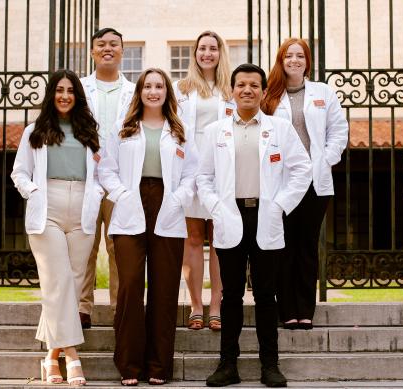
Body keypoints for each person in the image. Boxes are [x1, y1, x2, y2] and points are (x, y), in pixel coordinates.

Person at [197, 64, 311, 387]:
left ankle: (269, 366)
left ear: (263, 91)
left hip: (266, 216)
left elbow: (302, 170)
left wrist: (280, 205)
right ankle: (227, 365)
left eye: (254, 85)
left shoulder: (279, 128)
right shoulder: (216, 131)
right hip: (229, 216)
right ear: (231, 91)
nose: (247, 90)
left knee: (266, 294)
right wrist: (216, 207)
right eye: (241, 85)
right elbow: (203, 178)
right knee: (230, 295)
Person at [98, 68, 197, 386]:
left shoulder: (180, 130)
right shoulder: (122, 128)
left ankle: (158, 367)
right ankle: (129, 366)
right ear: (139, 92)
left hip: (167, 208)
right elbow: (107, 170)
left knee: (164, 290)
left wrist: (178, 198)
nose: (153, 91)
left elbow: (193, 173)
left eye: (159, 86)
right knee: (128, 287)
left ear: (167, 92)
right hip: (130, 207)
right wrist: (123, 195)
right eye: (148, 86)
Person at [11, 69, 103, 385]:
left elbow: (102, 172)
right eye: (59, 90)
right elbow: (19, 172)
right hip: (46, 209)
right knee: (58, 280)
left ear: (77, 96)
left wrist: (100, 192)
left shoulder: (90, 131)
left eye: (70, 90)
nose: (65, 95)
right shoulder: (34, 131)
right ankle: (72, 356)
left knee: (72, 285)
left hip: (82, 210)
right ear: (52, 95)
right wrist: (33, 192)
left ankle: (50, 357)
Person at [261, 38, 348, 330]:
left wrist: (328, 158)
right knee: (284, 246)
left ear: (307, 61)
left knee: (307, 245)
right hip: (282, 182)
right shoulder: (270, 96)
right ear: (281, 60)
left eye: (300, 56)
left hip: (314, 182)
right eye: (289, 56)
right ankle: (286, 310)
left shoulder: (323, 92)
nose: (294, 60)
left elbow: (339, 130)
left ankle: (304, 311)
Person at [173, 31, 235, 332]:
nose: (207, 53)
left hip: (222, 170)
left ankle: (215, 304)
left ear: (220, 53)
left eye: (213, 48)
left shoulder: (231, 89)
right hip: (190, 168)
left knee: (221, 241)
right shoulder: (181, 88)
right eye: (202, 49)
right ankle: (196, 305)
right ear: (194, 53)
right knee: (193, 239)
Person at [79, 27, 136, 328]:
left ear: (122, 51)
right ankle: (82, 307)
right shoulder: (79, 88)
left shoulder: (134, 91)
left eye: (114, 44)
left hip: (120, 177)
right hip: (86, 175)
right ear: (92, 51)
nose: (107, 49)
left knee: (119, 245)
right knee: (85, 242)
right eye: (101, 44)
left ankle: (119, 307)